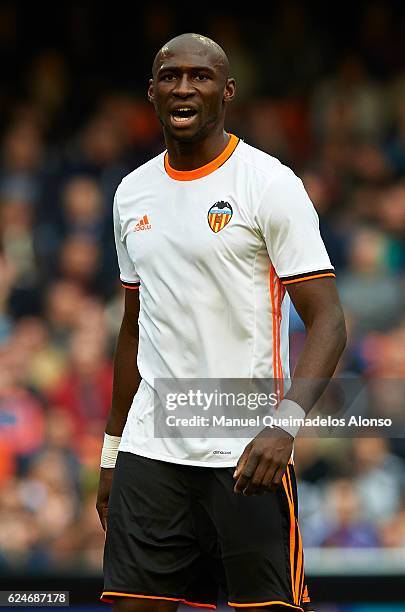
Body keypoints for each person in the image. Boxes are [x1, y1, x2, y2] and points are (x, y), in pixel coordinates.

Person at [96, 33, 347, 612]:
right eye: (170, 76)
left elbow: (328, 320)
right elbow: (133, 327)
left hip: (246, 447)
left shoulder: (269, 183)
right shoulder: (131, 193)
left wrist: (283, 428)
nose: (184, 87)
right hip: (151, 447)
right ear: (152, 93)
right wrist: (112, 452)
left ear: (226, 92)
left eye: (200, 77)